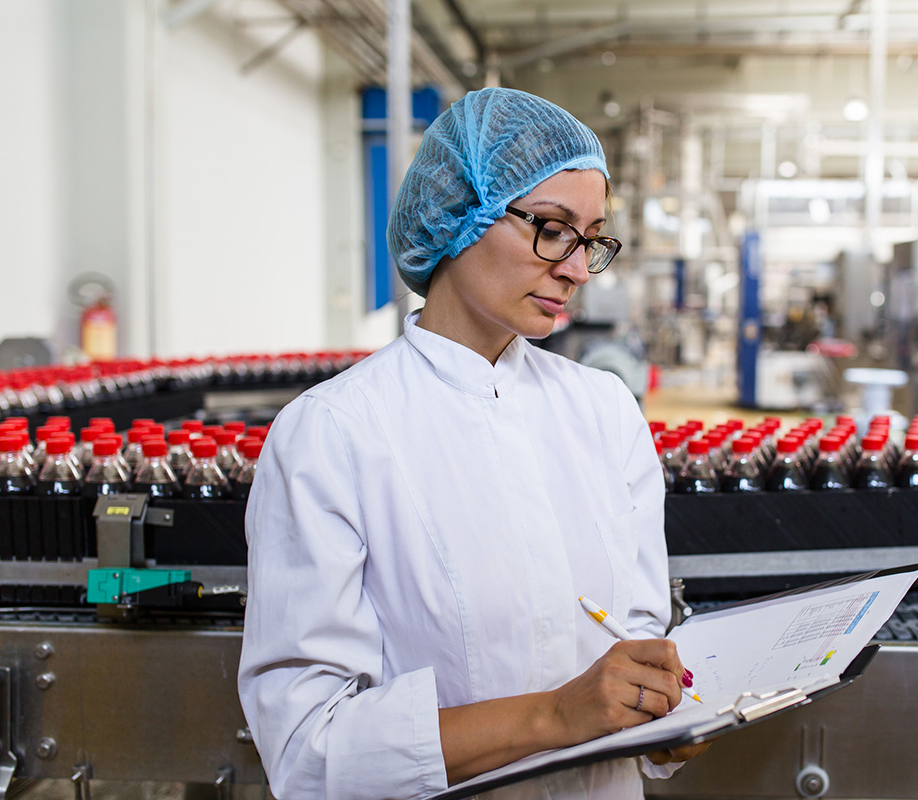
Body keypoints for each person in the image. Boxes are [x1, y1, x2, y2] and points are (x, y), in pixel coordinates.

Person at [238, 87, 708, 800]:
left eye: (592, 240)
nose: (577, 269)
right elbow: (310, 751)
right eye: (552, 229)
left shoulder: (604, 411)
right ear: (460, 214)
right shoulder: (336, 434)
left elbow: (637, 643)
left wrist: (663, 715)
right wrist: (554, 714)